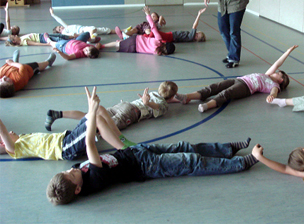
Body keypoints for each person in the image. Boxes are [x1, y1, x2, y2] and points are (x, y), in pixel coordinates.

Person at [46, 87, 259, 205]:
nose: (72, 169)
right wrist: (91, 112)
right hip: (145, 166)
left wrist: (96, 113)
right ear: (78, 189)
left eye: (67, 170)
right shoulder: (93, 180)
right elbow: (90, 145)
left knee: (184, 145)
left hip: (136, 152)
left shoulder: (77, 178)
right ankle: (241, 163)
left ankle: (228, 149)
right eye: (72, 175)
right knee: (190, 161)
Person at [0, 90, 135, 160]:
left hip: (67, 137)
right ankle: (126, 150)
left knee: (99, 110)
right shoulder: (16, 149)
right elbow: (4, 132)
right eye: (8, 135)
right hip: (65, 148)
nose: (11, 131)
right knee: (98, 119)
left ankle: (122, 139)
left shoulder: (23, 138)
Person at [175, 45, 298, 112]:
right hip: (238, 79)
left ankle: (208, 105)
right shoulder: (267, 74)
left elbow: (274, 92)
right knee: (215, 87)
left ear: (281, 80)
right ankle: (188, 97)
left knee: (226, 93)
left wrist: (272, 96)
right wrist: (287, 52)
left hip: (245, 87)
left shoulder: (274, 85)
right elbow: (277, 63)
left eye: (278, 73)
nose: (275, 72)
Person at [45, 81, 179, 131]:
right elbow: (157, 107)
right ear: (171, 96)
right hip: (132, 112)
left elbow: (160, 100)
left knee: (92, 115)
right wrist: (147, 103)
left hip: (124, 104)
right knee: (103, 128)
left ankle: (59, 114)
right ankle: (76, 135)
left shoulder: (153, 93)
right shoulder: (163, 105)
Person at [102, 6, 175, 56]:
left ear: (166, 43)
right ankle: (123, 38)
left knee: (117, 44)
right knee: (118, 45)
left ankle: (103, 45)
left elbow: (153, 27)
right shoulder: (157, 52)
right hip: (134, 49)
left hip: (136, 40)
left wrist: (148, 14)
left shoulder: (159, 40)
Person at [116, 8, 206, 43]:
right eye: (198, 33)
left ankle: (126, 38)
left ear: (197, 39)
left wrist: (198, 14)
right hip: (170, 36)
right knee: (151, 35)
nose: (196, 34)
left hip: (170, 37)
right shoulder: (190, 36)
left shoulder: (190, 37)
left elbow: (194, 25)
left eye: (198, 36)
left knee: (153, 32)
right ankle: (126, 38)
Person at [49, 7, 114, 41]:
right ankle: (92, 38)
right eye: (59, 29)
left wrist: (52, 14)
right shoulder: (64, 32)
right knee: (93, 28)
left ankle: (121, 30)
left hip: (83, 28)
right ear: (59, 33)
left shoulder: (66, 27)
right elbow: (72, 35)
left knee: (103, 30)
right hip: (82, 31)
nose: (61, 27)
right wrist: (79, 34)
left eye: (60, 27)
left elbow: (60, 20)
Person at [2, 32, 72, 46]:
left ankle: (72, 37)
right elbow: (35, 43)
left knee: (58, 35)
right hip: (41, 39)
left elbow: (7, 39)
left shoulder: (20, 38)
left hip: (41, 35)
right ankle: (72, 42)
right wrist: (47, 44)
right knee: (57, 39)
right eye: (14, 36)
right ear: (14, 41)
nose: (16, 35)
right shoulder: (23, 41)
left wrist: (1, 38)